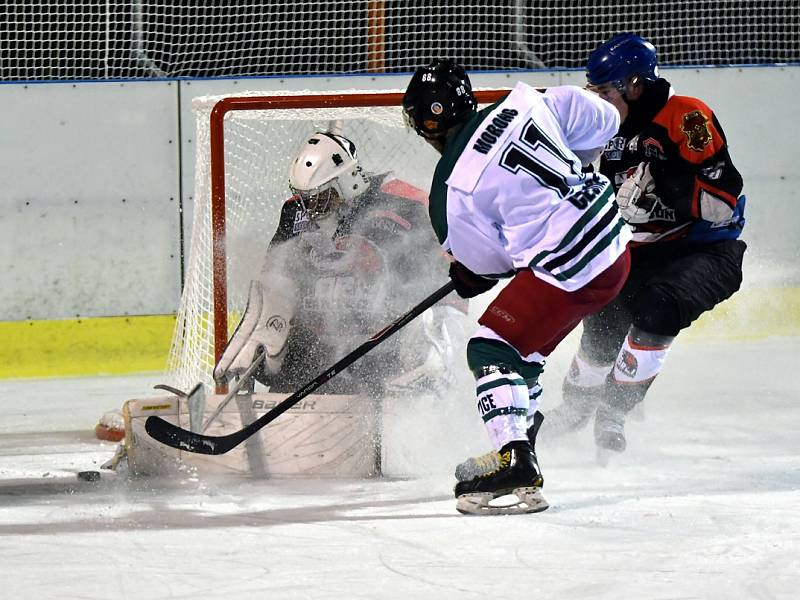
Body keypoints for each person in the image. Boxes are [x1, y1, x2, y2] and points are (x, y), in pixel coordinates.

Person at [402, 59, 631, 514]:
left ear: (430, 124)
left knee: (491, 348)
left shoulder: (449, 190)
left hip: (572, 264)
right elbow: (606, 120)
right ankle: (521, 441)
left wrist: (471, 274)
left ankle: (514, 458)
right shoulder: (529, 101)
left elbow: (489, 263)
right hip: (615, 245)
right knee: (524, 350)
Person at [543, 33, 747, 453]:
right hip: (643, 250)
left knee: (658, 305)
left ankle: (616, 408)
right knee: (601, 313)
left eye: (605, 91)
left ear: (634, 85)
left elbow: (722, 203)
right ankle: (578, 406)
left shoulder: (687, 116)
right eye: (593, 91)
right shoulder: (609, 128)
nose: (597, 100)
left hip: (705, 249)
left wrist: (665, 187)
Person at [213, 131, 467, 399]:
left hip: (381, 349)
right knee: (277, 363)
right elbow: (275, 283)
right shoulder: (295, 212)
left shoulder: (405, 205)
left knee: (420, 364)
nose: (310, 210)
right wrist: (265, 323)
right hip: (316, 351)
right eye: (303, 198)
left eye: (321, 198)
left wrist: (442, 347)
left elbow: (447, 284)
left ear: (349, 182)